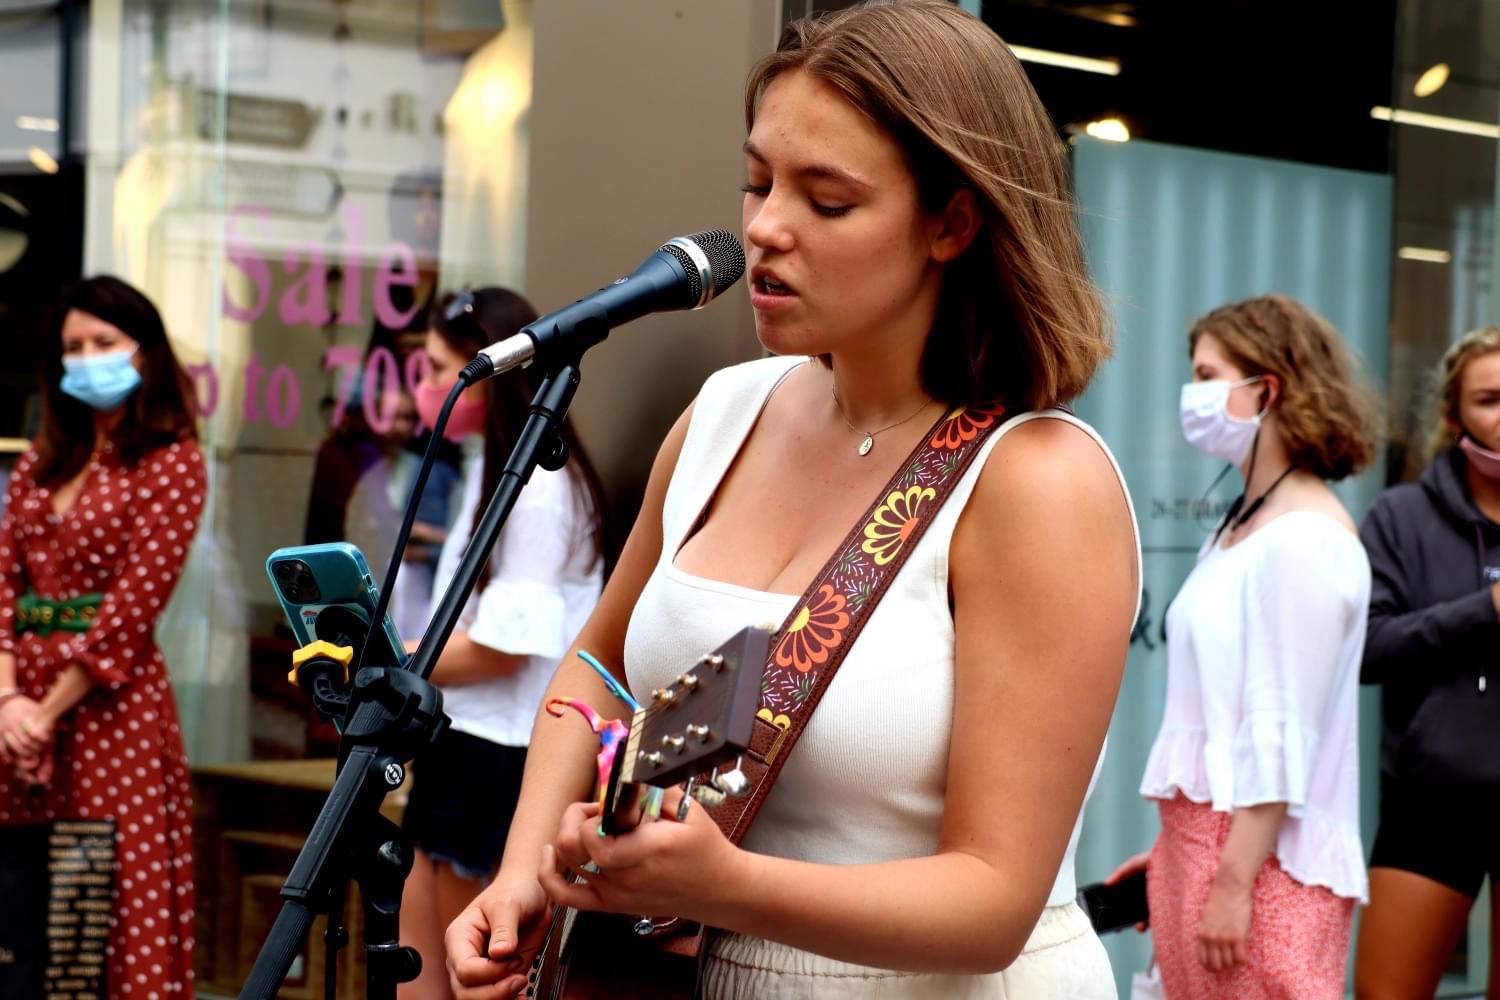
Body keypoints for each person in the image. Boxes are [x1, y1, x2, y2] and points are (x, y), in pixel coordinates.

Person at [446, 2, 1141, 997]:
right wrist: (520, 876)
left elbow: (995, 902)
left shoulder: (1037, 480)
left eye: (828, 200)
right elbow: (597, 664)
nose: (765, 227)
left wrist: (729, 884)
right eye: (758, 180)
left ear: (953, 221)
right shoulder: (723, 413)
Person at [1108, 294, 1376, 998]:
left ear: (1267, 388)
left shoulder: (1306, 541)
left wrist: (1229, 880)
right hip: (1217, 852)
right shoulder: (1243, 526)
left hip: (1259, 867)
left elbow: (1282, 730)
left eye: (1207, 373)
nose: (1192, 394)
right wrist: (1172, 854)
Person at [398, 287, 607, 1000]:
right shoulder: (490, 474)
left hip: (506, 754)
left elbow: (502, 649)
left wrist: (388, 661)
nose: (429, 389)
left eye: (437, 370)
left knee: (476, 976)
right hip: (462, 739)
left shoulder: (543, 486)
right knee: (415, 963)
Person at [0, 275, 205, 997]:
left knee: (94, 923)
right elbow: (3, 585)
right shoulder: (40, 460)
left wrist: (45, 712)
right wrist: (8, 706)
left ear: (144, 352)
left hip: (107, 718)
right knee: (19, 920)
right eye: (72, 347)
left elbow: (129, 613)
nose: (87, 359)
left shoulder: (172, 461)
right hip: (13, 719)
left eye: (103, 343)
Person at [1354, 326, 1500, 1000]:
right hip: (1431, 799)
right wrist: (1486, 610)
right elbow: (1366, 650)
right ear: (1453, 415)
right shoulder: (1399, 517)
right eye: (1490, 399)